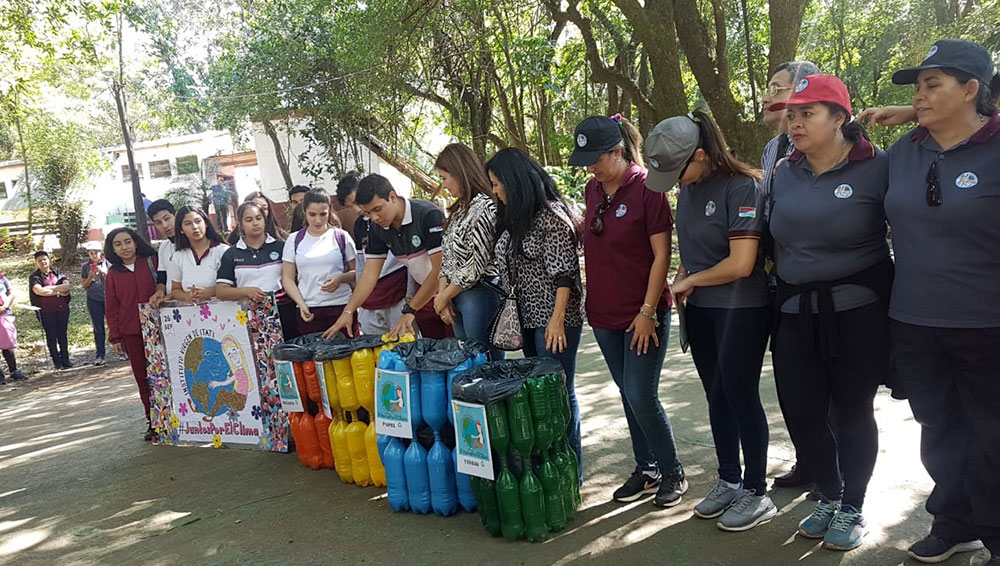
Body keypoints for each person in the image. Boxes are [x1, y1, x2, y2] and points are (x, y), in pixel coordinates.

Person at [879, 40, 1000, 566]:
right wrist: (918, 115)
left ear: (972, 89)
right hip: (915, 321)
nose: (921, 96)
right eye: (917, 88)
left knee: (993, 437)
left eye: (933, 85)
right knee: (939, 430)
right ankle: (954, 521)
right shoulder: (905, 150)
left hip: (988, 324)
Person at [767, 74, 892, 551]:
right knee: (801, 409)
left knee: (853, 409)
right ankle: (829, 494)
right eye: (791, 114)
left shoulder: (878, 167)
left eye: (807, 113)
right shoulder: (783, 169)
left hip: (859, 312)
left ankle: (854, 505)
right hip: (796, 311)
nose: (794, 123)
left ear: (840, 117)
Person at [645, 112, 774, 531]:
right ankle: (729, 478)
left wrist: (692, 280)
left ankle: (757, 489)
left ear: (701, 154)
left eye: (678, 171)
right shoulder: (689, 186)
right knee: (716, 394)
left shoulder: (743, 186)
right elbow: (699, 248)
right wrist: (685, 275)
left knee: (739, 393)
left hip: (741, 309)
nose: (676, 182)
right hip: (700, 309)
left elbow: (740, 263)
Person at [571, 115, 684, 508]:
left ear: (617, 151)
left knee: (641, 392)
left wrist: (648, 310)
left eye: (595, 158)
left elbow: (662, 256)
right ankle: (647, 467)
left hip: (642, 313)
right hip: (603, 313)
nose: (590, 167)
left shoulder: (649, 189)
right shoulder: (592, 189)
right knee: (626, 393)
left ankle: (673, 472)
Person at [485, 148, 584, 481]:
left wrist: (556, 320)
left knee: (557, 391)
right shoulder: (514, 217)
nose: (496, 192)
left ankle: (571, 470)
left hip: (553, 319)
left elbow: (564, 273)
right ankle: (549, 465)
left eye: (498, 184)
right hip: (526, 317)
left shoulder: (552, 216)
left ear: (515, 180)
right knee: (540, 392)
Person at [760, 60, 824, 500]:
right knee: (792, 382)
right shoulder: (772, 150)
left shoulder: (833, 145)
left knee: (829, 386)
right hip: (781, 280)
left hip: (824, 283)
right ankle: (810, 459)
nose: (769, 95)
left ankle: (835, 476)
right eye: (768, 87)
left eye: (778, 87)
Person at [324, 175, 450, 339]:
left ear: (392, 197)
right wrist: (349, 311)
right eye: (368, 213)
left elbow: (439, 270)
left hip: (452, 290)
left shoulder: (428, 215)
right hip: (425, 298)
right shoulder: (377, 228)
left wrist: (410, 309)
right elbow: (369, 274)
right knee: (434, 352)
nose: (374, 218)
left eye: (377, 209)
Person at [433, 144, 503, 359]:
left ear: (459, 172)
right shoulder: (459, 209)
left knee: (484, 360)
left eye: (445, 178)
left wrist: (444, 296)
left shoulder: (484, 207)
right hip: (456, 295)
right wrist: (442, 295)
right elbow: (448, 258)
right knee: (468, 360)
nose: (443, 185)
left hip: (480, 292)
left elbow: (476, 265)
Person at [335, 173, 409, 336]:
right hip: (371, 294)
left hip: (399, 289)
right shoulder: (360, 225)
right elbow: (364, 266)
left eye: (356, 202)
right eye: (350, 206)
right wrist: (357, 302)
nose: (357, 209)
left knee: (404, 342)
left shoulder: (393, 218)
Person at [104, 227, 160, 440]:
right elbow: (112, 307)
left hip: (159, 329)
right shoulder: (113, 274)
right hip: (131, 333)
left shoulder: (151, 262)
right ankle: (153, 420)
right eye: (118, 244)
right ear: (112, 249)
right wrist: (115, 336)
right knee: (143, 377)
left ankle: (176, 416)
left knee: (165, 373)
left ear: (136, 242)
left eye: (127, 241)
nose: (124, 247)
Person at [217, 201, 298, 339]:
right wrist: (247, 291)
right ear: (240, 224)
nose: (255, 223)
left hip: (285, 312)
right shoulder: (231, 254)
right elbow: (221, 291)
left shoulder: (282, 247)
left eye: (258, 218)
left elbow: (294, 279)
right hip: (250, 316)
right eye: (249, 220)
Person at [282, 188, 358, 336]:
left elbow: (358, 273)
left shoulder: (341, 236)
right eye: (312, 214)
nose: (318, 220)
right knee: (315, 358)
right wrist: (301, 304)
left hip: (341, 307)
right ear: (304, 212)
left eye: (323, 214)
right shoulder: (294, 240)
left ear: (329, 211)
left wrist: (341, 278)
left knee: (348, 356)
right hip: (309, 310)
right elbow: (288, 278)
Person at [168, 206, 230, 302]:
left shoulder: (223, 251)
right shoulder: (178, 256)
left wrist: (211, 292)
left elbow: (235, 285)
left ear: (205, 223)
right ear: (181, 230)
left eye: (198, 221)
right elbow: (176, 289)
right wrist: (187, 297)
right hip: (192, 313)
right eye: (188, 224)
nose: (195, 227)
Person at [29, 250, 72, 370]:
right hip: (46, 312)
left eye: (44, 259)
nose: (43, 262)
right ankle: (56, 361)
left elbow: (67, 286)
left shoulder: (57, 272)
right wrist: (58, 291)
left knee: (62, 334)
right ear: (36, 263)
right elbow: (39, 290)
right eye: (39, 260)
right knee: (51, 335)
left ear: (49, 260)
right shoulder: (35, 277)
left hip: (62, 309)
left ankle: (66, 360)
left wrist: (51, 289)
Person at [81, 241, 109, 365]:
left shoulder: (107, 263)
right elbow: (84, 285)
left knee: (115, 325)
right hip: (93, 299)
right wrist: (90, 276)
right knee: (98, 328)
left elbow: (113, 281)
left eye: (96, 252)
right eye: (91, 253)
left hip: (108, 298)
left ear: (100, 252)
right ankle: (100, 355)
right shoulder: (85, 267)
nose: (94, 255)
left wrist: (103, 272)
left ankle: (122, 351)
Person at [147, 199, 177, 309]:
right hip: (173, 307)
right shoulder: (164, 247)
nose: (165, 225)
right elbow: (162, 278)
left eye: (167, 218)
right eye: (158, 222)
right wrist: (160, 291)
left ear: (176, 216)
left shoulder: (194, 243)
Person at [0, 273, 27, 384]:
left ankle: (14, 371)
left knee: (8, 344)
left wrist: (5, 306)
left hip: (4, 313)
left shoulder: (2, 278)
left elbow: (11, 294)